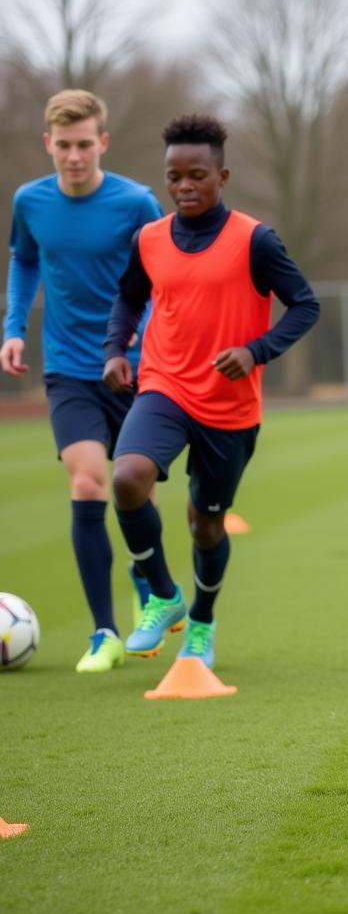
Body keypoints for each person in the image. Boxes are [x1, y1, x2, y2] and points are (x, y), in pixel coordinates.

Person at [102, 114, 319, 667]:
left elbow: (306, 305)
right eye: (174, 177)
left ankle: (200, 619)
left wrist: (255, 351)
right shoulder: (148, 240)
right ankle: (162, 596)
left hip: (230, 407)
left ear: (222, 176)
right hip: (163, 385)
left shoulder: (255, 240)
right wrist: (114, 351)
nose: (183, 187)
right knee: (127, 478)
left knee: (205, 525)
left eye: (196, 175)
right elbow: (129, 298)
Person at [1, 89, 163, 673]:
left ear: (103, 143)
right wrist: (14, 326)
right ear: (49, 144)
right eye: (63, 146)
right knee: (90, 481)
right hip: (69, 367)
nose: (74, 156)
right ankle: (105, 633)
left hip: (135, 366)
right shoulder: (30, 202)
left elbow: (163, 274)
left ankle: (147, 577)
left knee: (136, 487)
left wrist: (151, 346)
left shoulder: (136, 203)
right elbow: (24, 260)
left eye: (84, 145)